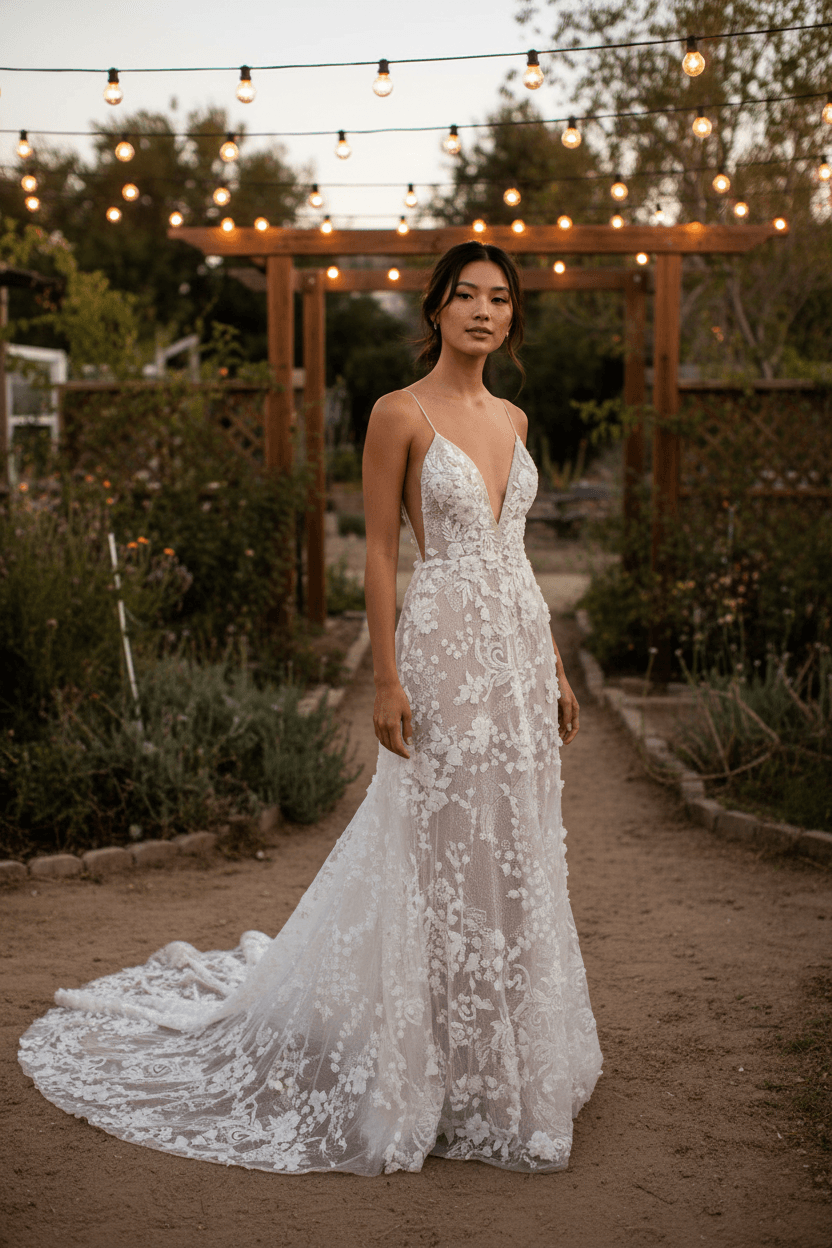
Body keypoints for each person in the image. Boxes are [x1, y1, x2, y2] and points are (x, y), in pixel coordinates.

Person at [19, 241, 602, 1176]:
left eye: (499, 299)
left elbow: (519, 560)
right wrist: (385, 678)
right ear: (437, 310)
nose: (484, 313)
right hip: (443, 649)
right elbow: (377, 551)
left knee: (509, 843)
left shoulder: (516, 417)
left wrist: (558, 671)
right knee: (436, 842)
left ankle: (495, 1056)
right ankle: (421, 1060)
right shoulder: (397, 414)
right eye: (466, 297)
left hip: (518, 661)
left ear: (512, 317)